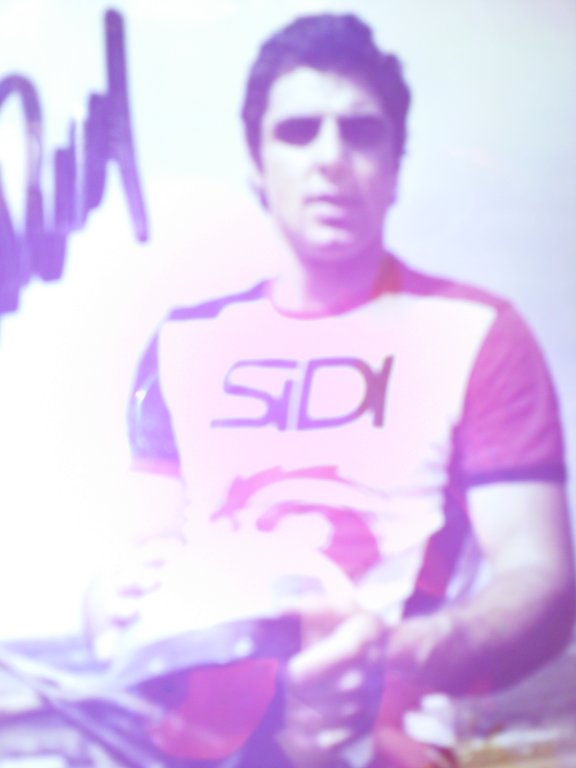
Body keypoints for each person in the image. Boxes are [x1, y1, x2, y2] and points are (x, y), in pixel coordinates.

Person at [88, 13, 575, 768]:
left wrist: (399, 652)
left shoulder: (479, 332)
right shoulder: (182, 340)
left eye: (360, 132)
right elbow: (137, 560)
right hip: (185, 747)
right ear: (255, 164)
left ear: (396, 162)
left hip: (381, 745)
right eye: (297, 131)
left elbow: (540, 578)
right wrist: (103, 606)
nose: (330, 158)